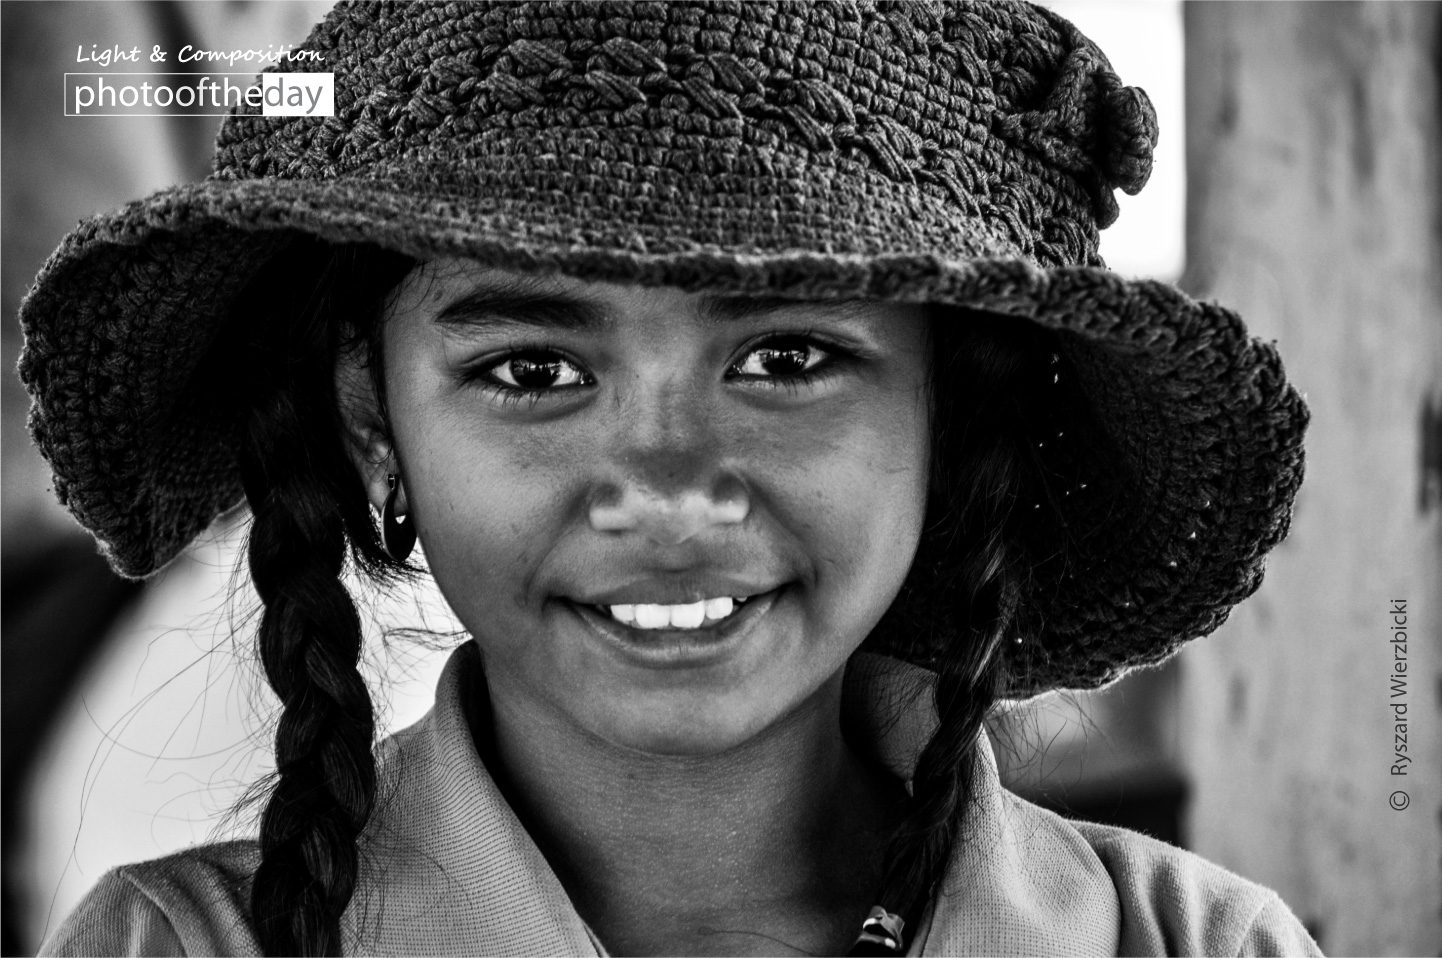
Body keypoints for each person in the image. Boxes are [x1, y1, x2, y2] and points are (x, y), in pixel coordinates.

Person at [18, 1, 1320, 955]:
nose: (665, 483)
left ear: (953, 410)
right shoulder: (174, 941)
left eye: (788, 353)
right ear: (373, 417)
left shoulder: (1199, 939)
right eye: (533, 372)